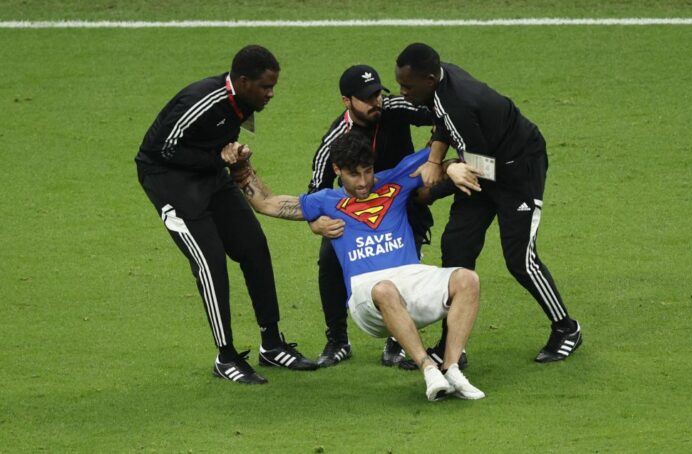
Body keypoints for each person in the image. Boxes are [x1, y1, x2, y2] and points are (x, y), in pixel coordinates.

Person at [230, 133, 485, 401]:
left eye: (368, 171)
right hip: (367, 293)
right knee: (385, 289)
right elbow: (267, 203)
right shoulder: (325, 200)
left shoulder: (398, 178)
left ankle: (452, 368)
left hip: (411, 278)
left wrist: (450, 166)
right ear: (337, 170)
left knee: (467, 279)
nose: (364, 182)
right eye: (354, 174)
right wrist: (240, 167)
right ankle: (428, 368)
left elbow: (442, 149)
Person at [135, 44, 317, 386]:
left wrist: (233, 156)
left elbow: (216, 147)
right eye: (265, 87)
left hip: (211, 176)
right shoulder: (203, 100)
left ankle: (272, 343)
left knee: (254, 246)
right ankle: (226, 356)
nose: (271, 94)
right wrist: (219, 159)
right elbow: (160, 150)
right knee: (211, 263)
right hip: (169, 182)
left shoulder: (241, 102)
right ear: (244, 81)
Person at [395, 43, 582, 363]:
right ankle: (452, 346)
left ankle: (567, 328)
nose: (403, 92)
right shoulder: (441, 80)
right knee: (456, 249)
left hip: (517, 172)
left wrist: (435, 184)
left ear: (429, 79)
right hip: (485, 165)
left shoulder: (459, 103)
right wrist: (436, 158)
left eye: (407, 87)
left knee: (519, 259)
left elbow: (476, 170)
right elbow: (444, 123)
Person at [306, 64, 462, 370]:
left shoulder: (394, 107)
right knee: (329, 261)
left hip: (402, 197)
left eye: (378, 93)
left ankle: (398, 340)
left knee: (406, 261)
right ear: (346, 101)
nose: (376, 101)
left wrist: (436, 152)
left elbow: (444, 117)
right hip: (356, 209)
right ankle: (338, 340)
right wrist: (316, 224)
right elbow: (315, 190)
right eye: (367, 97)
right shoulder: (334, 141)